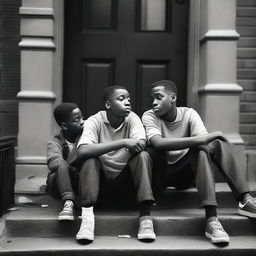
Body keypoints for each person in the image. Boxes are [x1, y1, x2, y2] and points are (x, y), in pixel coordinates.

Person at [142, 80, 256, 244]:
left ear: (173, 97)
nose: (154, 102)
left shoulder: (189, 114)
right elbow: (159, 143)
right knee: (152, 150)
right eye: (152, 98)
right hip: (161, 176)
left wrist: (205, 140)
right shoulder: (149, 116)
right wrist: (205, 137)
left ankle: (224, 213)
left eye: (159, 97)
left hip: (185, 174)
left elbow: (205, 143)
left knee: (209, 146)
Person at [73, 85, 155, 242]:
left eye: (129, 99)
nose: (127, 103)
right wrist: (123, 142)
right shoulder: (94, 121)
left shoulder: (132, 118)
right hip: (100, 183)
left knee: (143, 156)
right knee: (90, 159)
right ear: (108, 105)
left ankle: (145, 217)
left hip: (126, 183)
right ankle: (87, 220)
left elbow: (140, 143)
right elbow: (83, 151)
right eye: (121, 99)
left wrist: (131, 143)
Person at [46, 103, 84, 222]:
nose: (82, 122)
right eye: (77, 120)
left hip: (78, 180)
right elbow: (54, 162)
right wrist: (71, 166)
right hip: (57, 183)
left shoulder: (86, 137)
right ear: (64, 126)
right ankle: (68, 203)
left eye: (82, 117)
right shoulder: (55, 141)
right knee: (62, 165)